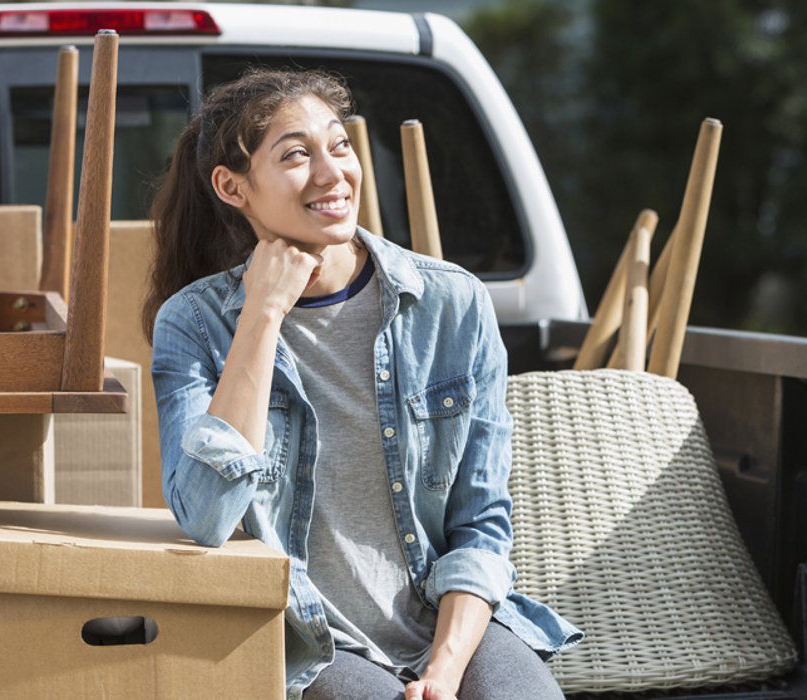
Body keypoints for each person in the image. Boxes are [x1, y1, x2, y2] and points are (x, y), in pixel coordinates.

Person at [142, 68, 581, 700]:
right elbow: (206, 516)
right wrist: (262, 315)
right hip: (314, 643)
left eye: (339, 145)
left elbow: (481, 523)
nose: (331, 173)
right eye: (296, 155)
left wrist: (443, 675)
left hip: (452, 621)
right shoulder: (195, 322)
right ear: (231, 186)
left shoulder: (452, 302)